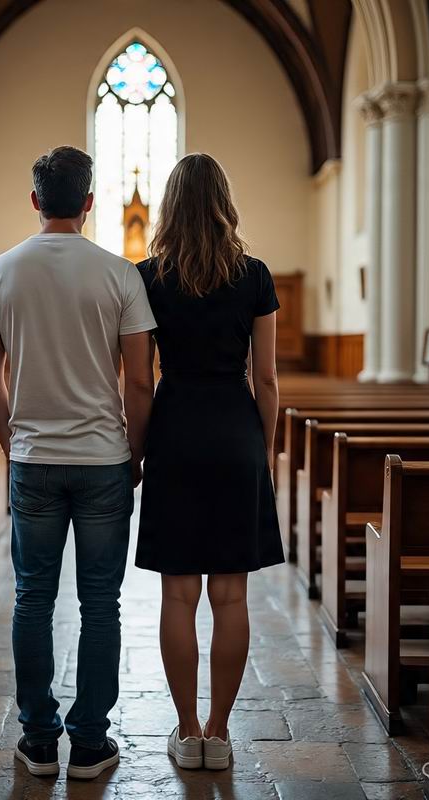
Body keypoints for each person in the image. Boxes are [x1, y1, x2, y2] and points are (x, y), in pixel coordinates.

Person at [0, 146, 156, 781]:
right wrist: (135, 452)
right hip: (104, 459)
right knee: (102, 603)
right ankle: (92, 742)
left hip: (34, 458)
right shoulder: (120, 275)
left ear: (34, 200)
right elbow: (139, 383)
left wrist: (7, 440)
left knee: (32, 599)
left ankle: (40, 741)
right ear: (90, 202)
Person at [134, 153, 284, 770]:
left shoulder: (147, 277)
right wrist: (263, 451)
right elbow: (267, 379)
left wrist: (139, 454)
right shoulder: (254, 276)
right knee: (230, 598)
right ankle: (220, 735)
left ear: (168, 207)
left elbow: (138, 383)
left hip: (174, 431)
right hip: (234, 432)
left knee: (177, 599)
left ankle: (187, 727)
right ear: (225, 203)